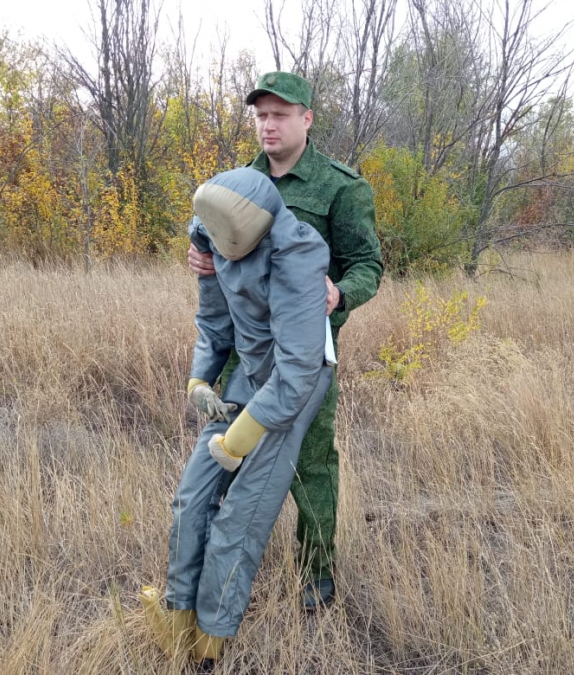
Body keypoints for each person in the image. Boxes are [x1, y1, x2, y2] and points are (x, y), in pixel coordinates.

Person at [187, 71, 383, 608]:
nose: (267, 125)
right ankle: (213, 576)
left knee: (311, 465)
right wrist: (200, 258)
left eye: (279, 114)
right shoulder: (240, 182)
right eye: (260, 115)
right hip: (245, 351)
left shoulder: (341, 187)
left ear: (307, 118)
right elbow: (213, 242)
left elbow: (368, 265)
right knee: (227, 459)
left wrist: (340, 293)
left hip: (306, 357)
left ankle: (316, 574)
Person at [142, 167, 335, 666]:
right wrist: (200, 382)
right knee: (192, 497)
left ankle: (210, 639)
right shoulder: (209, 235)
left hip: (294, 386)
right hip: (249, 372)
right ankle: (178, 617)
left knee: (241, 517)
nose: (223, 247)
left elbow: (296, 371)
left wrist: (239, 439)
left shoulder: (298, 255)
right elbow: (213, 323)